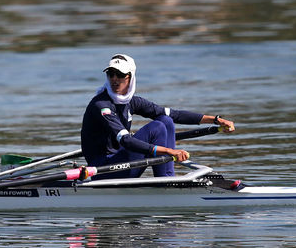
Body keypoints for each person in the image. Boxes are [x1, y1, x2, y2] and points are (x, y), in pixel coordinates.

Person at [80, 53, 235, 178]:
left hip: (122, 163)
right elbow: (126, 141)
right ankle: (166, 181)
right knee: (157, 127)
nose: (114, 79)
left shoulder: (132, 102)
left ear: (130, 77)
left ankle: (167, 177)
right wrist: (169, 152)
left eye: (120, 74)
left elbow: (174, 114)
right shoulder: (101, 106)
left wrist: (215, 120)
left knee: (165, 120)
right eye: (111, 74)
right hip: (104, 169)